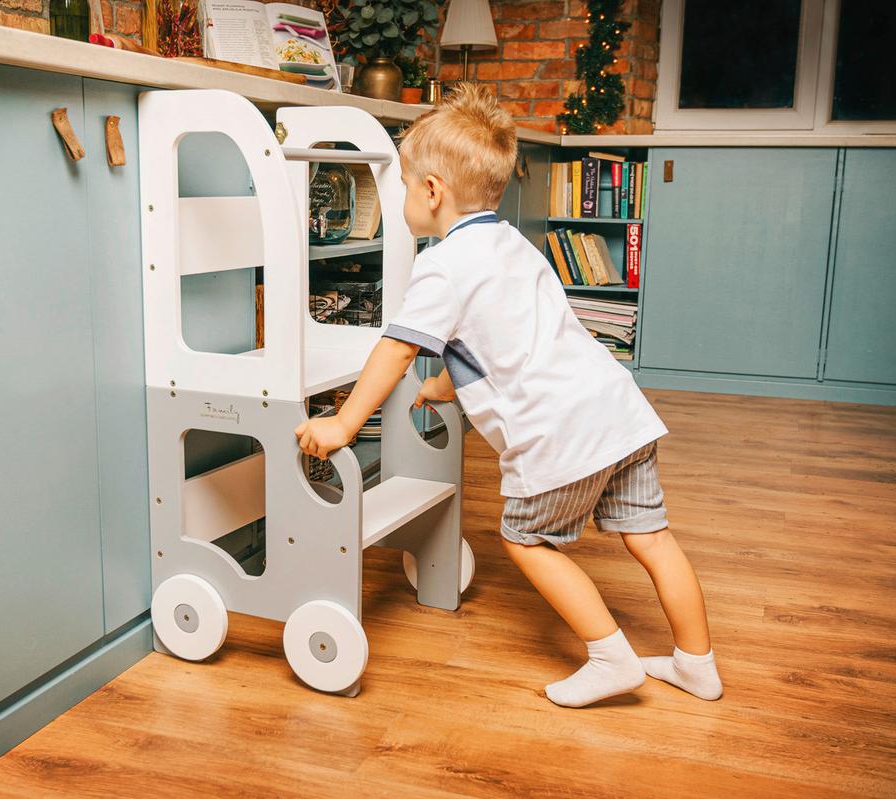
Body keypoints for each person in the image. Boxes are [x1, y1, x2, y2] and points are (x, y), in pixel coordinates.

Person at [295, 84, 721, 707]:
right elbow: (498, 338)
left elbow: (398, 348)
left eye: (405, 184)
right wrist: (443, 387)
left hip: (559, 430)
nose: (404, 197)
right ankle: (697, 664)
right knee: (652, 538)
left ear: (432, 191)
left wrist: (342, 424)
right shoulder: (512, 243)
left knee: (527, 541)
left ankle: (611, 659)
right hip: (617, 411)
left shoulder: (442, 264)